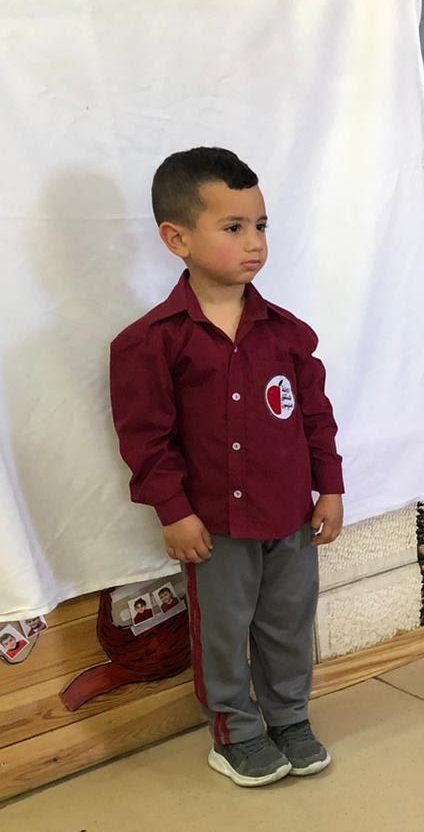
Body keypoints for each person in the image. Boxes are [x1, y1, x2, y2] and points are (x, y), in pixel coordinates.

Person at [110, 147, 345, 788]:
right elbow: (146, 440)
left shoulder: (288, 335)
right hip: (215, 528)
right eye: (234, 227)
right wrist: (174, 511)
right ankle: (235, 732)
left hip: (291, 520)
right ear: (177, 239)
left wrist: (330, 488)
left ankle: (289, 717)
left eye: (261, 225)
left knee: (288, 623)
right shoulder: (151, 342)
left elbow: (315, 416)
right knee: (222, 632)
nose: (255, 243)